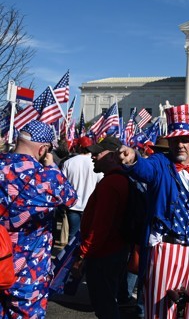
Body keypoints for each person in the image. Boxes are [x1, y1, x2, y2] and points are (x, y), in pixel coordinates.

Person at [118, 104, 189, 319]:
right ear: (169, 143)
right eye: (175, 140)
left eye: (186, 140)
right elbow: (145, 170)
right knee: (160, 310)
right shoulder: (159, 163)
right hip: (165, 246)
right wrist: (133, 159)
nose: (180, 144)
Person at [0, 120, 77, 318]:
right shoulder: (47, 176)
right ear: (43, 149)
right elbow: (70, 198)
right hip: (28, 264)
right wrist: (51, 167)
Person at [70, 136, 130, 319]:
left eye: (97, 153)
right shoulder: (116, 180)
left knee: (105, 306)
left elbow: (100, 226)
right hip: (113, 251)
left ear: (112, 156)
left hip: (105, 254)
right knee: (107, 303)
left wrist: (82, 254)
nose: (92, 156)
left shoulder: (112, 183)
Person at [61, 136, 103, 241]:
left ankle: (71, 256)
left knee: (73, 235)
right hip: (89, 205)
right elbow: (101, 183)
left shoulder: (69, 162)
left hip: (73, 205)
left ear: (79, 147)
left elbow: (62, 185)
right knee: (86, 235)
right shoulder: (96, 163)